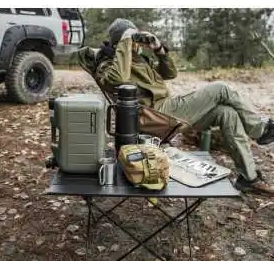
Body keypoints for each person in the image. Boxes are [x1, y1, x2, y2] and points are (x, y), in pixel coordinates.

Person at [89, 18, 274, 195]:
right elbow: (118, 79)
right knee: (221, 89)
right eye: (131, 39)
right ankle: (260, 130)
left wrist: (159, 51)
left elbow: (170, 74)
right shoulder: (107, 64)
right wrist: (125, 43)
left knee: (227, 113)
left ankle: (248, 178)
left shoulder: (137, 58)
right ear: (119, 42)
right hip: (155, 115)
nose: (135, 43)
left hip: (166, 110)